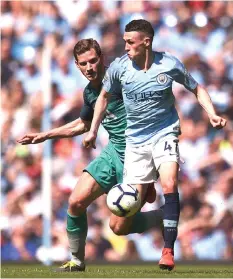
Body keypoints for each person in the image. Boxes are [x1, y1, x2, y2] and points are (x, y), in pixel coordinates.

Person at [83, 20, 227, 270]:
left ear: (146, 42)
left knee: (170, 182)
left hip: (165, 133)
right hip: (136, 143)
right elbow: (103, 98)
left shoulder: (169, 64)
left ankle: (168, 250)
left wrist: (211, 113)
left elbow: (197, 87)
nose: (125, 46)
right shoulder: (119, 68)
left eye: (130, 41)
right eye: (124, 40)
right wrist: (93, 130)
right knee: (118, 226)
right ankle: (152, 200)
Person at [17, 39, 163, 272]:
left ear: (102, 58)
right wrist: (45, 135)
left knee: (118, 228)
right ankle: (77, 261)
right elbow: (83, 125)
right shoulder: (90, 93)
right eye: (84, 63)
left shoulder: (123, 78)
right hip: (114, 152)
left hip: (139, 158)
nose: (89, 67)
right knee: (75, 202)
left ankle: (163, 216)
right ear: (77, 65)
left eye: (93, 61)